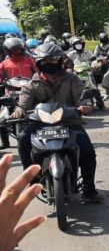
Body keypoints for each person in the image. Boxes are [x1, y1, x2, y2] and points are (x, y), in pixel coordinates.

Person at [11, 43, 103, 203]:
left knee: (87, 151)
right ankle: (31, 180)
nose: (49, 65)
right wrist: (18, 110)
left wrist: (85, 105)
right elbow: (23, 103)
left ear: (60, 61)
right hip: (40, 124)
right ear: (38, 63)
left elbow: (82, 96)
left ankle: (88, 188)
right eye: (45, 61)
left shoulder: (72, 79)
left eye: (53, 61)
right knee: (23, 138)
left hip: (69, 122)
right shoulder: (32, 84)